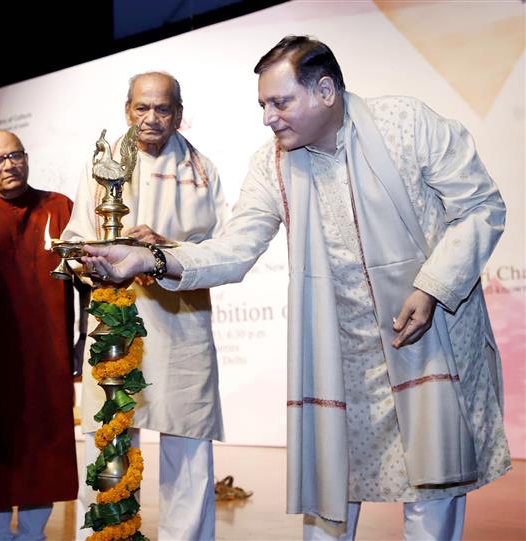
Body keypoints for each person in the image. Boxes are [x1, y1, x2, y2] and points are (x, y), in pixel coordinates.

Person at [82, 36, 511, 540]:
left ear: (325, 90)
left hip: (425, 336)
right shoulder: (274, 164)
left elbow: (481, 207)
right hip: (340, 352)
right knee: (330, 486)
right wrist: (152, 258)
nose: (268, 117)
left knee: (432, 494)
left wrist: (433, 287)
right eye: (263, 104)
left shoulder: (408, 126)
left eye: (279, 102)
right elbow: (234, 248)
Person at [61, 71, 228, 540]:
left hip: (182, 323)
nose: (151, 118)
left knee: (188, 441)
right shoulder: (101, 164)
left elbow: (223, 249)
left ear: (179, 113)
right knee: (108, 436)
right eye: (142, 108)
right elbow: (75, 239)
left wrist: (164, 248)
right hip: (116, 321)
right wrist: (89, 262)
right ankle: (103, 536)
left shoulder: (204, 169)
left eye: (162, 109)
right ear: (126, 110)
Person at [0, 129, 84, 540]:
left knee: (42, 447)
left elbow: (88, 282)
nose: (8, 165)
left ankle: (33, 535)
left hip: (48, 356)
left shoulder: (59, 207)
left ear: (26, 158)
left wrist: (83, 344)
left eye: (15, 156)